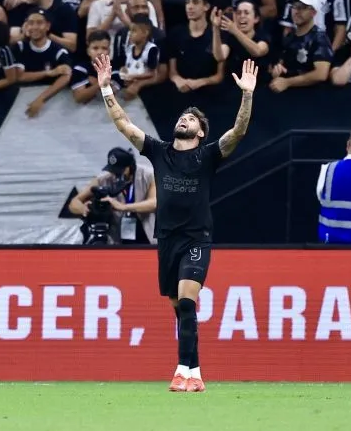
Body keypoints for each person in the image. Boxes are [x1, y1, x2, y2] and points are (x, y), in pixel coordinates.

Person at [93, 53, 257, 394]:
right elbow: (124, 123)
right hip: (165, 239)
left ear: (200, 132)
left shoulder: (209, 154)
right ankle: (194, 372)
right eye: (182, 117)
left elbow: (238, 131)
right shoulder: (158, 151)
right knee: (178, 307)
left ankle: (183, 370)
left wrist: (247, 94)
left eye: (191, 120)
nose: (184, 120)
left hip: (196, 237)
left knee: (186, 301)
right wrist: (107, 90)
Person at [68, 147, 158, 245]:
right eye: (113, 170)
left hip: (148, 234)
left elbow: (154, 203)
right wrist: (84, 209)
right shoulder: (104, 179)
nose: (115, 174)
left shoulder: (149, 175)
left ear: (129, 167)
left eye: (119, 170)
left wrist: (123, 207)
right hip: (119, 237)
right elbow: (74, 203)